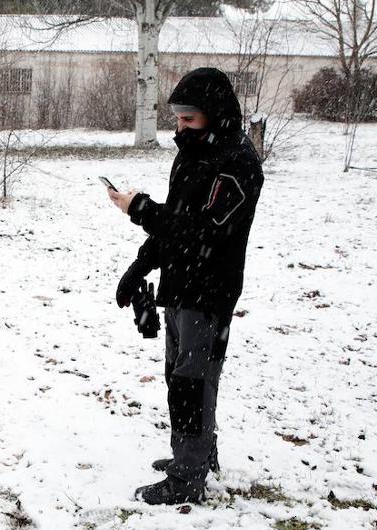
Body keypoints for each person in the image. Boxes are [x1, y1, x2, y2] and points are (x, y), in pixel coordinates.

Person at [106, 67, 264, 505]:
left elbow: (199, 232)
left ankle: (188, 478)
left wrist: (138, 208)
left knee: (193, 383)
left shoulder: (238, 164)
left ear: (215, 115)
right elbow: (176, 225)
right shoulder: (193, 153)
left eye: (189, 119)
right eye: (177, 118)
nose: (180, 128)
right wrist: (141, 266)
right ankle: (196, 455)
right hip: (179, 286)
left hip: (209, 290)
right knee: (181, 378)